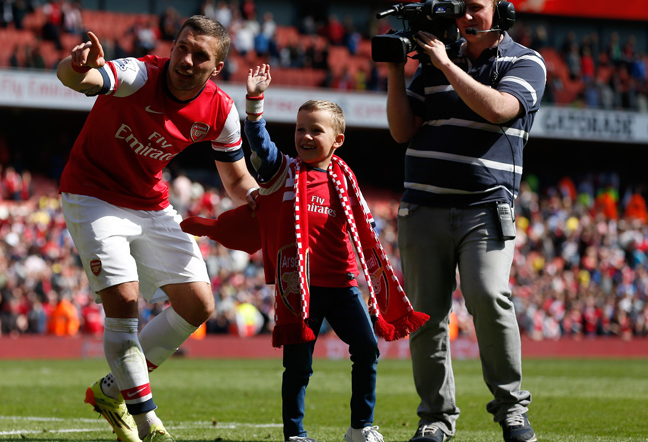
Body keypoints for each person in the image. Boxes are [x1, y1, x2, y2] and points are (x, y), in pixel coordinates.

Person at [183, 64, 428, 442]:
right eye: (300, 129)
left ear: (338, 140)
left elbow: (365, 231)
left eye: (316, 130)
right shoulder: (283, 172)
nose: (306, 136)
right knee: (298, 366)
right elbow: (260, 144)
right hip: (301, 290)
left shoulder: (347, 180)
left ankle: (362, 427)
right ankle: (295, 434)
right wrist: (255, 103)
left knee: (366, 350)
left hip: (344, 287)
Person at [55, 15, 259, 442]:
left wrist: (264, 204)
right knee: (125, 302)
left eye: (199, 55)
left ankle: (111, 391)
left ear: (216, 67)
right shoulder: (138, 73)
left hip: (150, 202)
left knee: (199, 305)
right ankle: (149, 424)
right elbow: (82, 80)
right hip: (92, 196)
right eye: (182, 46)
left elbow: (237, 180)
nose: (185, 59)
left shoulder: (221, 110)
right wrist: (76, 66)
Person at [384, 1, 546, 441]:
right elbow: (402, 131)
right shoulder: (436, 59)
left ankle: (512, 409)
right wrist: (397, 71)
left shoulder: (526, 61)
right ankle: (435, 418)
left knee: (490, 297)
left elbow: (497, 109)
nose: (466, 18)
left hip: (486, 206)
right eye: (461, 9)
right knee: (425, 317)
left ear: (501, 12)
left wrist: (445, 64)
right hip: (422, 207)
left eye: (476, 7)